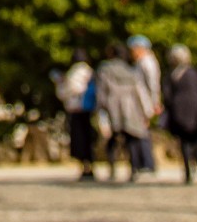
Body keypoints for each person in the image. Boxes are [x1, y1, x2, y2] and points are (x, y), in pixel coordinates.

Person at [95, 43, 159, 181]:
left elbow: (101, 93)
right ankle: (134, 168)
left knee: (112, 140)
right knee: (131, 139)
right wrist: (145, 111)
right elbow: (139, 91)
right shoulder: (130, 70)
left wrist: (101, 112)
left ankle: (112, 168)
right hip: (131, 108)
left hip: (112, 107)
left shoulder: (105, 70)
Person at [161, 44, 197, 183]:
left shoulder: (171, 75)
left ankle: (188, 170)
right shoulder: (194, 73)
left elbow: (167, 96)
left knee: (184, 142)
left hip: (179, 112)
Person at [52, 48, 97, 181]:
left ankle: (86, 166)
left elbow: (71, 89)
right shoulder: (89, 70)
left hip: (78, 108)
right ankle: (88, 165)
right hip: (86, 108)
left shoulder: (77, 71)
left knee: (81, 139)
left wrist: (61, 82)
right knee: (87, 138)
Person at [128, 35, 164, 178]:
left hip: (144, 102)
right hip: (140, 101)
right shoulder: (141, 62)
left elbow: (153, 83)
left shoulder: (147, 62)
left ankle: (148, 164)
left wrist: (155, 102)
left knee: (142, 132)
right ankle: (142, 163)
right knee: (140, 131)